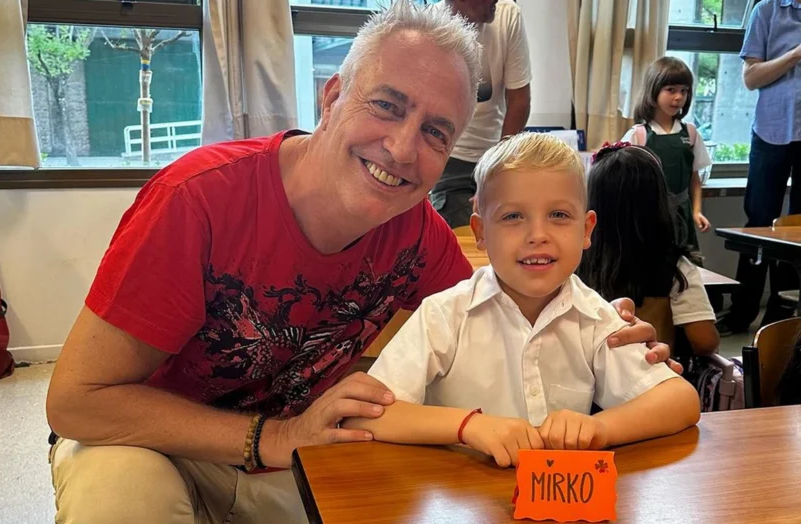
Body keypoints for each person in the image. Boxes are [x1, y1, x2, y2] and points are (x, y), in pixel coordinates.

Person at [45, 3, 676, 523]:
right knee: (120, 501)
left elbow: (503, 315)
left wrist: (605, 325)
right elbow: (77, 402)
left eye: (435, 132)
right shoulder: (199, 200)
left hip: (307, 457)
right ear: (332, 96)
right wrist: (274, 437)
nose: (401, 147)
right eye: (387, 105)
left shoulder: (418, 235)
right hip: (156, 444)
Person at [345, 134, 700, 467]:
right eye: (513, 216)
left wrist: (599, 428)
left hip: (557, 498)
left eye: (559, 215)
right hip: (461, 494)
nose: (538, 235)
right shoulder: (445, 315)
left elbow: (680, 400)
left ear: (586, 229)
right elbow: (365, 414)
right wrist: (468, 426)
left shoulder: (596, 317)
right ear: (481, 232)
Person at [578, 143, 720, 359]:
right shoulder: (675, 269)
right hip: (653, 372)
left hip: (588, 373)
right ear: (660, 204)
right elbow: (705, 341)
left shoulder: (576, 263)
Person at [716, 0, 801, 337]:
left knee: (798, 227)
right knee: (759, 224)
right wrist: (795, 54)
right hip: (771, 130)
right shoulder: (767, 10)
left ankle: (783, 316)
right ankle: (742, 311)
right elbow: (751, 78)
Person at [429, 0, 533, 229]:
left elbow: (519, 101)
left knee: (513, 227)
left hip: (498, 153)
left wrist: (498, 168)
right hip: (449, 158)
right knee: (468, 232)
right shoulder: (431, 26)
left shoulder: (508, 15)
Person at [622, 57, 712, 255]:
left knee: (685, 267)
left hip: (682, 214)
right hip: (648, 216)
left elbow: (694, 178)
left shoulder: (690, 133)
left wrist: (696, 211)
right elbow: (625, 183)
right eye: (671, 90)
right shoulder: (638, 135)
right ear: (653, 91)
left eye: (684, 91)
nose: (678, 97)